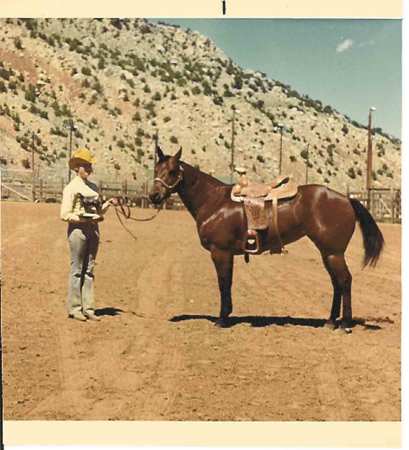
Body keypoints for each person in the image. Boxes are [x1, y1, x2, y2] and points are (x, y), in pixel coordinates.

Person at [60, 147, 116, 322]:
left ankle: (89, 308)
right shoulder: (71, 188)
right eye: (85, 166)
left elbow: (98, 210)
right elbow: (64, 214)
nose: (89, 169)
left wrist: (108, 204)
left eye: (90, 166)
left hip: (93, 230)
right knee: (77, 269)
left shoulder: (93, 187)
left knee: (89, 269)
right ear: (77, 167)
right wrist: (81, 218)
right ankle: (75, 308)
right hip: (78, 231)